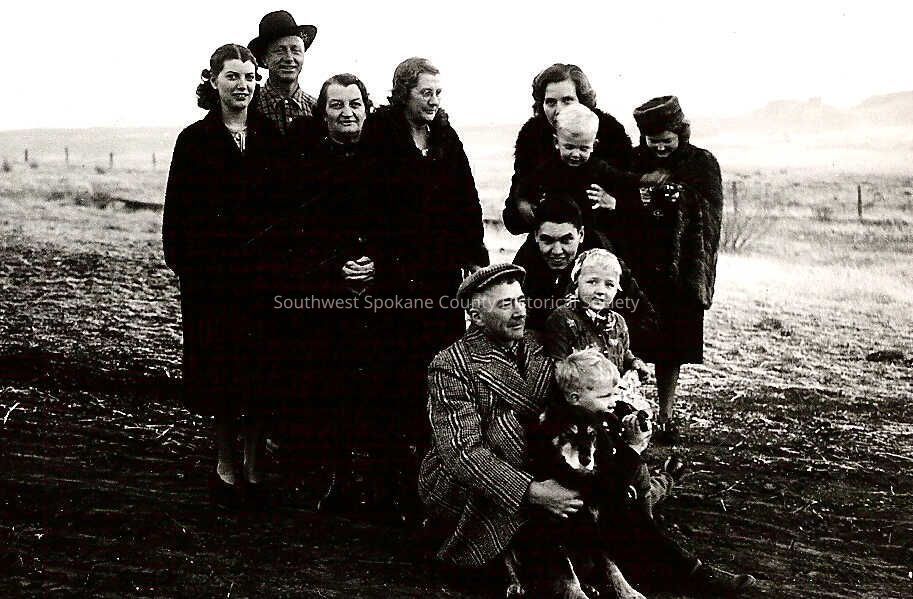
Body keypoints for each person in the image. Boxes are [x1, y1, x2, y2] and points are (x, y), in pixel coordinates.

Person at [359, 57, 489, 517]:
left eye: (438, 92)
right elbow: (365, 202)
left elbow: (467, 200)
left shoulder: (445, 137)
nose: (434, 101)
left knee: (437, 370)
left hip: (438, 277)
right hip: (394, 276)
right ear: (404, 93)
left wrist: (472, 255)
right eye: (425, 93)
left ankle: (431, 478)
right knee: (392, 374)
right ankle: (387, 481)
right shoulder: (380, 134)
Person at [524, 348, 756, 597]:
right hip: (577, 510)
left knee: (640, 519)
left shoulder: (591, 418)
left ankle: (690, 570)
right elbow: (603, 484)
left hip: (594, 504)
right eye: (605, 396)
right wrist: (632, 449)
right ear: (574, 397)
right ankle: (693, 575)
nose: (611, 401)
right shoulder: (572, 431)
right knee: (638, 526)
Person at [419, 264, 583, 593]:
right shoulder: (451, 364)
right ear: (476, 317)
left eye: (521, 301)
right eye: (505, 305)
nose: (519, 312)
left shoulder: (541, 347)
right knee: (503, 439)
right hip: (467, 481)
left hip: (536, 466)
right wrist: (534, 492)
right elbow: (462, 452)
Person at [162, 43, 279, 497]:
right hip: (213, 281)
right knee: (221, 373)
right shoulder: (194, 140)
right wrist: (189, 269)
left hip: (263, 278)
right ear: (213, 81)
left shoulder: (271, 137)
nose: (242, 85)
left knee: (261, 371)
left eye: (249, 77)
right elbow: (177, 214)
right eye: (232, 76)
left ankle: (254, 460)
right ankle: (226, 460)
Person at [616, 96, 724, 444]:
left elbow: (709, 211)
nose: (660, 147)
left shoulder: (701, 163)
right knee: (631, 340)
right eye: (653, 141)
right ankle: (628, 413)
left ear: (681, 133)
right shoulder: (633, 160)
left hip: (681, 272)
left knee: (671, 348)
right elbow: (622, 203)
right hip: (639, 266)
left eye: (667, 140)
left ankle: (665, 415)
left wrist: (673, 196)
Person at [502, 63, 633, 237]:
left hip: (603, 240)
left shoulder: (611, 136)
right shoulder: (532, 140)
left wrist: (614, 203)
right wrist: (521, 205)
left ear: (583, 101)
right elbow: (512, 220)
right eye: (550, 102)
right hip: (551, 241)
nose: (559, 109)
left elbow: (635, 207)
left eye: (567, 100)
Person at [512, 196, 656, 346]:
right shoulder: (526, 260)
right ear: (536, 235)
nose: (557, 251)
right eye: (547, 240)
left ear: (581, 234)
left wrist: (608, 329)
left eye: (566, 240)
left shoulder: (605, 263)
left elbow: (648, 321)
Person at [543, 249, 650, 381]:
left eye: (609, 284)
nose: (601, 290)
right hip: (578, 389)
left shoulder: (618, 322)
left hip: (615, 389)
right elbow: (558, 366)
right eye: (592, 282)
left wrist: (633, 362)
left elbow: (623, 352)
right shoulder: (562, 318)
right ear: (576, 282)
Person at [248, 10, 318, 134]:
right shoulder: (248, 106)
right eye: (280, 50)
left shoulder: (317, 109)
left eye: (295, 50)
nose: (289, 58)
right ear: (264, 59)